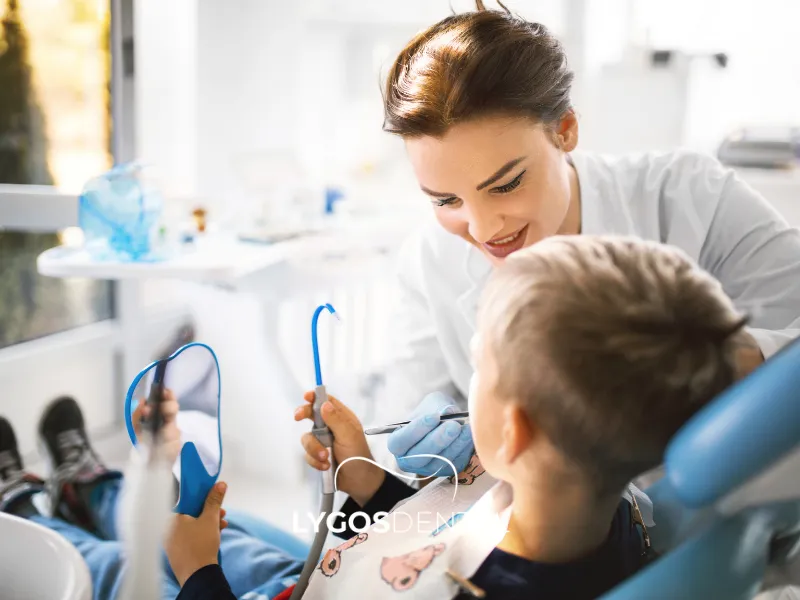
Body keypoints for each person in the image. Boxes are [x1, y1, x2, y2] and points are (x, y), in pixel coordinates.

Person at [167, 235, 748, 599]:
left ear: (514, 429)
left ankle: (91, 505)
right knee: (237, 538)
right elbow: (431, 543)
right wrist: (365, 477)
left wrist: (197, 573)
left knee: (134, 558)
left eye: (478, 367)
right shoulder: (598, 508)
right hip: (327, 573)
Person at [376, 1, 800, 477]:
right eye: (445, 200)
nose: (483, 229)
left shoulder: (691, 196)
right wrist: (428, 446)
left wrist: (686, 369)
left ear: (565, 130)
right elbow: (405, 437)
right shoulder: (428, 261)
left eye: (507, 184)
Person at [0, 395, 305, 600]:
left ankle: (20, 512)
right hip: (312, 586)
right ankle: (91, 491)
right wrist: (355, 492)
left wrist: (200, 572)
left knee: (116, 566)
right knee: (232, 546)